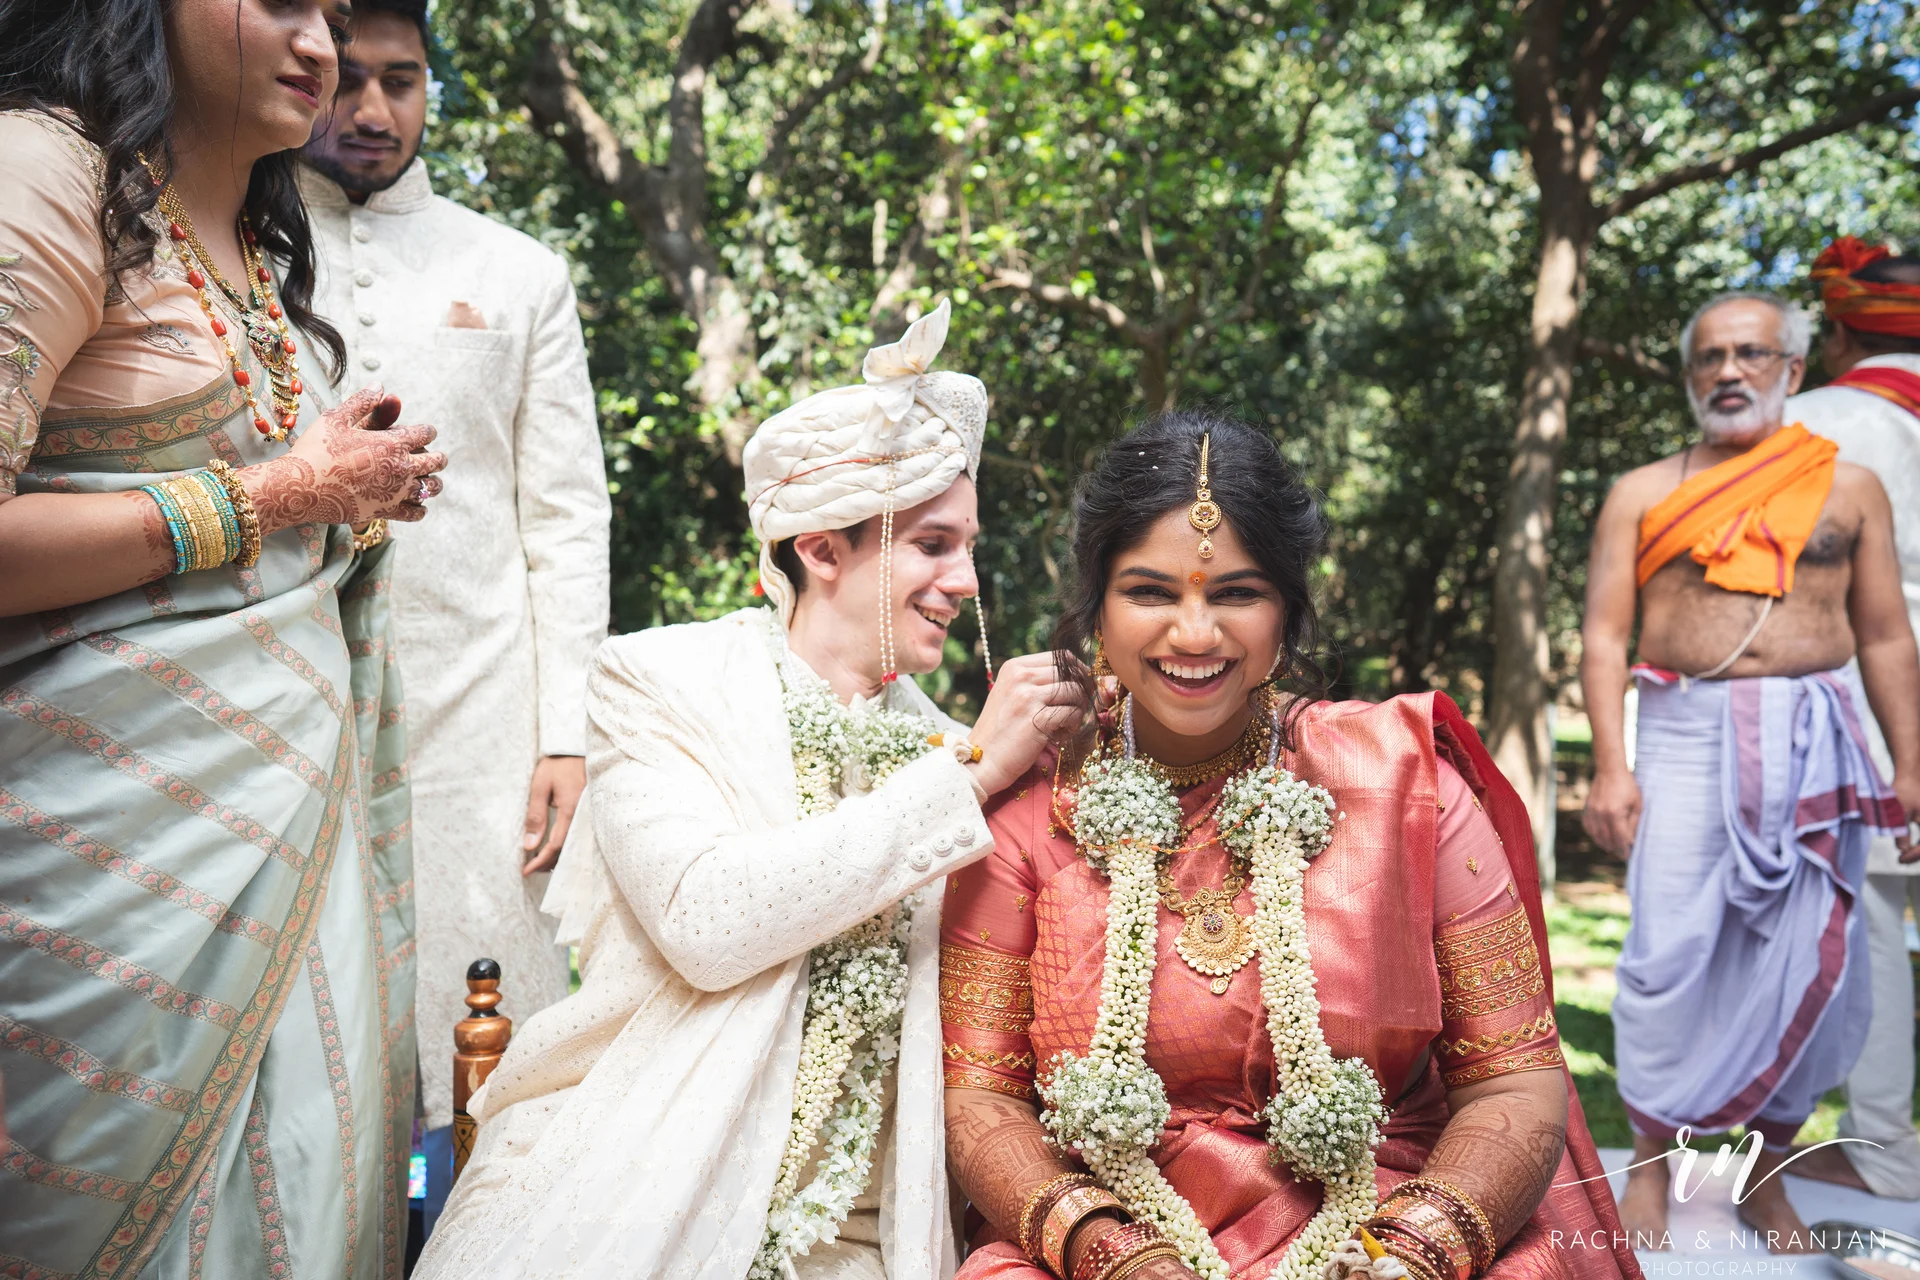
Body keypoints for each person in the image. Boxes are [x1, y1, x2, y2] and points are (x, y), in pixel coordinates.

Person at [414, 301, 1088, 1279]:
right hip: (626, 1174)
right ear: (820, 548)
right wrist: (975, 772)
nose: (968, 580)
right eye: (936, 543)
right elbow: (708, 919)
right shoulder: (655, 682)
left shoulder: (960, 749)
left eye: (970, 545)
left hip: (866, 1236)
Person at [941, 411, 1638, 1280]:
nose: (1194, 634)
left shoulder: (1404, 784)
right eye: (1151, 592)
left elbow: (1514, 1079)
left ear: (1289, 610)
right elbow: (980, 1100)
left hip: (1381, 1210)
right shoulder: (1028, 807)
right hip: (1106, 1228)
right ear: (1095, 605)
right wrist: (1111, 1253)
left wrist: (1413, 1249)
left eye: (1237, 593)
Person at [0, 0, 448, 1275]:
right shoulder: (43, 172)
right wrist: (271, 498)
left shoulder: (255, 226)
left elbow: (246, 534)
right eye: (283, 3)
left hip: (290, 836)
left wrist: (344, 503)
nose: (318, 42)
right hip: (97, 871)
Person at [298, 0, 612, 1198]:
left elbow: (565, 517)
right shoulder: (239, 248)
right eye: (348, 80)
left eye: (404, 81)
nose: (374, 111)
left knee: (494, 1051)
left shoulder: (518, 270)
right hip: (300, 693)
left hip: (486, 719)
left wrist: (567, 732)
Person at [1579, 291, 1920, 1246]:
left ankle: (1767, 1176)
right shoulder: (1642, 493)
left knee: (1814, 952)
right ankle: (1652, 1164)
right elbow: (1605, 637)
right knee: (1668, 953)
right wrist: (1612, 765)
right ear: (1689, 378)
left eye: (1754, 354)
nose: (1731, 372)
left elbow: (1887, 637)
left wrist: (1912, 766)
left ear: (1794, 371)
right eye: (1711, 358)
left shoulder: (1850, 489)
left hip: (1820, 733)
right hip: (1685, 733)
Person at [1779, 238, 1920, 1201]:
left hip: (1867, 702)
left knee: (1873, 920)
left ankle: (1884, 1149)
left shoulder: (1805, 423)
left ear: (1838, 330)